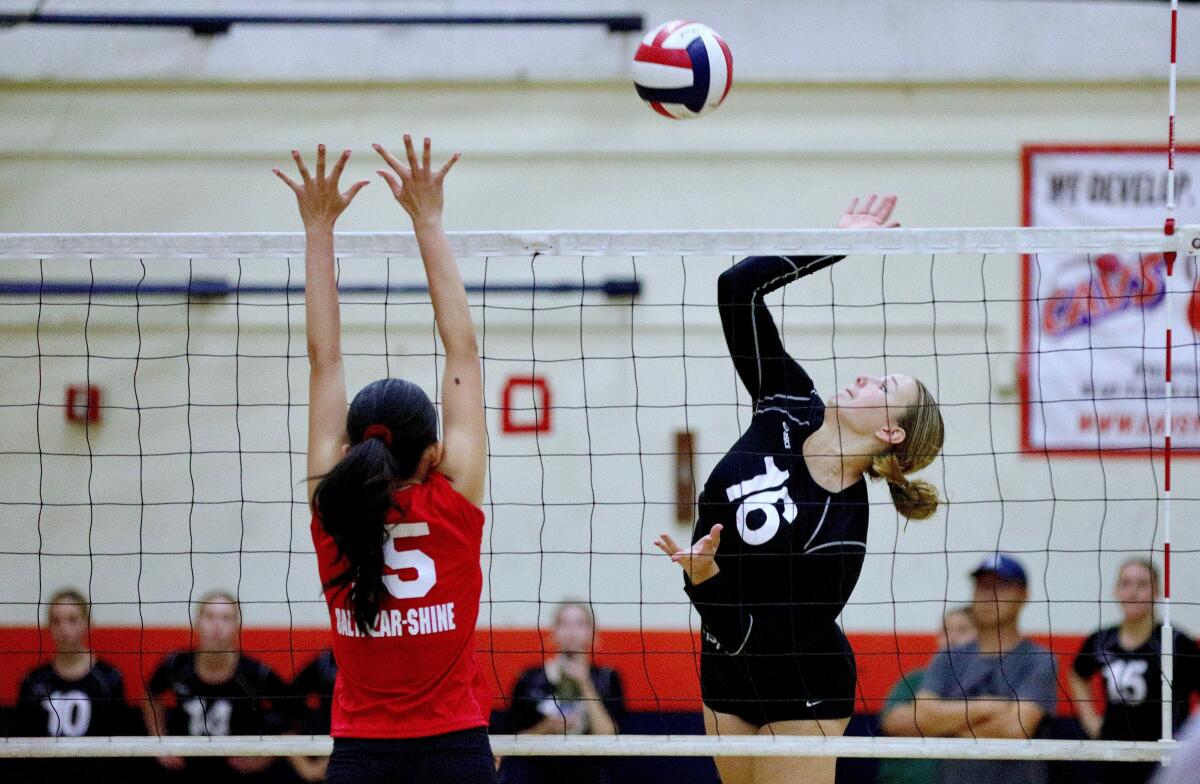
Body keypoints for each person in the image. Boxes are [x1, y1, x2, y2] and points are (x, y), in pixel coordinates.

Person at [654, 194, 946, 784]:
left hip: (802, 686)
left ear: (890, 431)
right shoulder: (788, 401)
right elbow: (737, 289)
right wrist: (838, 241)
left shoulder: (841, 531)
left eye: (882, 385)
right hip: (724, 669)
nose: (864, 376)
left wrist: (703, 576)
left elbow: (761, 638)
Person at [275, 137, 492, 784]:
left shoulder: (331, 510)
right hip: (455, 751)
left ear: (346, 451)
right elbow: (464, 353)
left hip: (362, 758)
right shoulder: (451, 500)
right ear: (435, 454)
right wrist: (427, 219)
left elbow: (324, 362)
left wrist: (317, 229)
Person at [913, 554, 1058, 784]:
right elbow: (921, 717)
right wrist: (988, 707)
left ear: (1024, 595)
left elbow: (1016, 727)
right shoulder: (949, 657)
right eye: (982, 586)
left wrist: (947, 726)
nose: (989, 596)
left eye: (1001, 586)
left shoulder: (1038, 659)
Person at [1069, 558, 1200, 784]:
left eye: (1142, 584)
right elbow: (1077, 674)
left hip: (1164, 756)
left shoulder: (1176, 642)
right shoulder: (1102, 640)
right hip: (1112, 752)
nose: (1133, 592)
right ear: (1116, 591)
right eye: (1126, 584)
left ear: (1157, 591)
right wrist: (1090, 720)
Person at [143, 590, 290, 782]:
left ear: (237, 626)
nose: (216, 626)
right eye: (210, 616)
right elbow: (150, 695)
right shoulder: (176, 664)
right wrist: (158, 741)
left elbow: (293, 717)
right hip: (184, 768)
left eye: (226, 618)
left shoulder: (256, 673)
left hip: (238, 774)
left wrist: (263, 759)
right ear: (197, 622)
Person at [14, 589, 131, 781]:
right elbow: (21, 740)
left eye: (72, 619)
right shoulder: (33, 680)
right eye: (56, 621)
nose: (64, 629)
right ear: (48, 626)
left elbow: (118, 742)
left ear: (87, 624)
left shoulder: (109, 678)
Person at [508, 601, 626, 784]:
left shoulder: (607, 678)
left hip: (592, 776)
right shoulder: (529, 679)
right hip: (540, 776)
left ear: (592, 633)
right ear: (554, 631)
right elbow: (511, 742)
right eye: (565, 623)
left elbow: (610, 738)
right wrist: (548, 727)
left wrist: (585, 685)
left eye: (580, 624)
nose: (572, 631)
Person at [877, 606, 977, 784]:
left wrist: (931, 719)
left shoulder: (986, 680)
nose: (952, 639)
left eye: (962, 630)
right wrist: (970, 720)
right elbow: (892, 723)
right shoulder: (915, 679)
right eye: (945, 631)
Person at [288, 648, 338, 783]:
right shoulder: (326, 661)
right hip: (323, 748)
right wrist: (306, 766)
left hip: (359, 750)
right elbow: (288, 704)